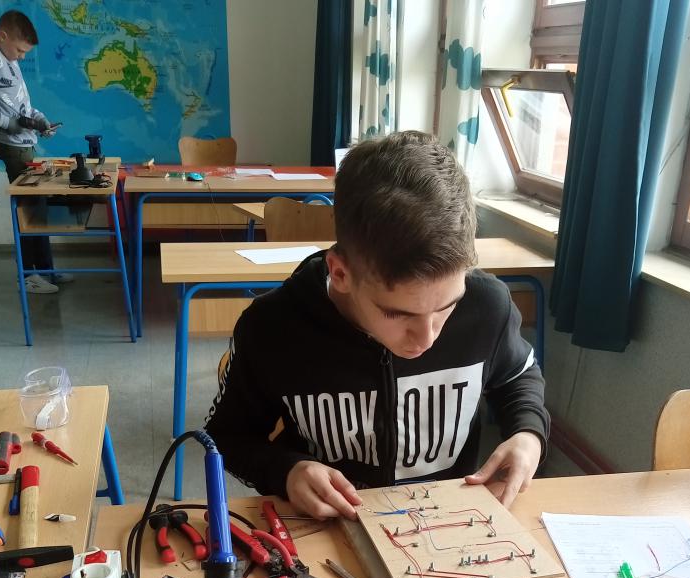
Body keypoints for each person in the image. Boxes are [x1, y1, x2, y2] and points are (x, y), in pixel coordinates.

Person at [205, 131, 549, 519]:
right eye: (398, 314)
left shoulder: (487, 307)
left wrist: (528, 434)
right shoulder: (271, 329)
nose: (427, 337)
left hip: (446, 520)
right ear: (341, 273)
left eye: (447, 307)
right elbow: (226, 437)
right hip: (330, 524)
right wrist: (285, 471)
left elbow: (518, 376)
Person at [0, 9, 69, 294]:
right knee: (28, 210)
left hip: (24, 141)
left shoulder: (8, 58)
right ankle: (29, 275)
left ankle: (46, 271)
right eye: (20, 50)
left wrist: (39, 121)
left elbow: (18, 104)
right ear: (3, 36)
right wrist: (6, 123)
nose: (22, 56)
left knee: (36, 207)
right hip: (12, 146)